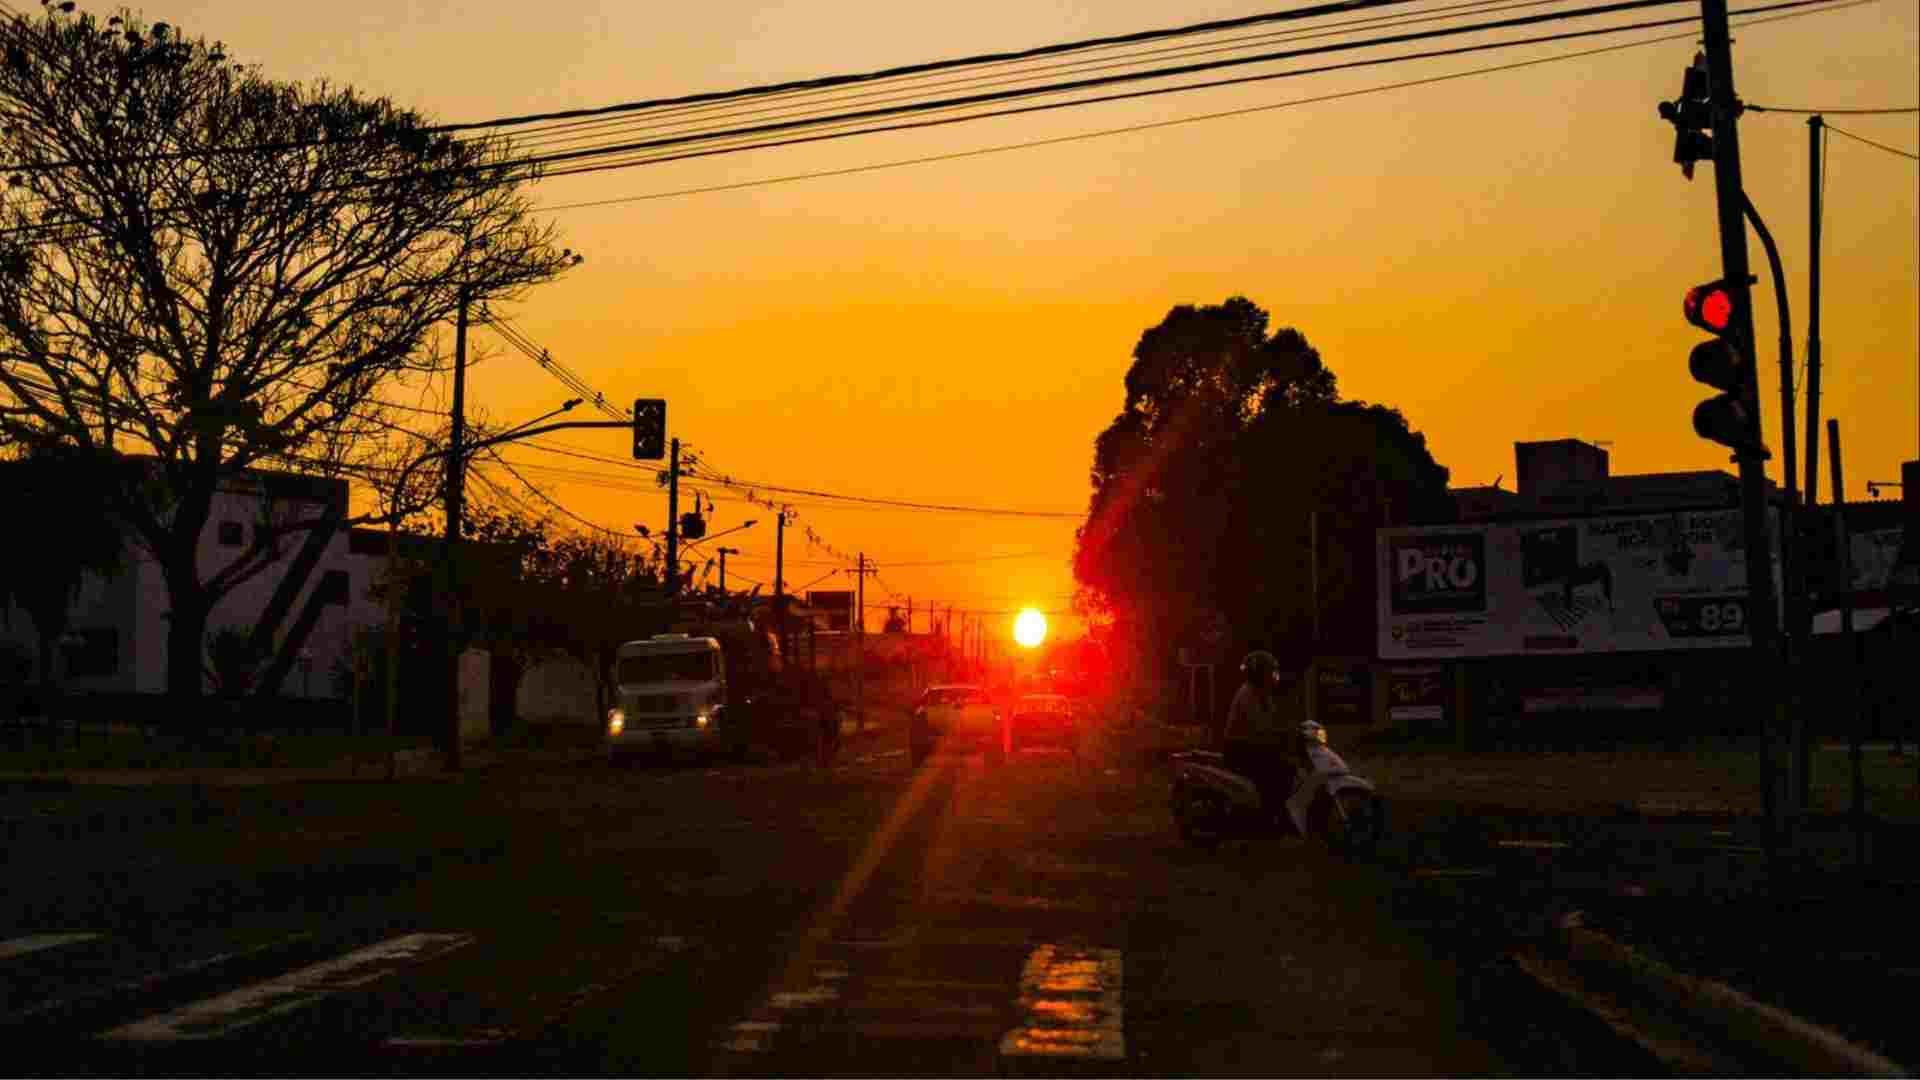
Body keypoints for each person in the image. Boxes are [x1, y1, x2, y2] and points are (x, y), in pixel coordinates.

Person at [1223, 650, 1298, 815]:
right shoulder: (1247, 694)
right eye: (1270, 672)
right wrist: (1285, 733)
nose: (1274, 676)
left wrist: (1293, 728)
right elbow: (1261, 726)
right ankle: (1269, 811)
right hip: (1240, 748)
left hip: (1254, 745)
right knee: (1280, 769)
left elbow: (1273, 721)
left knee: (1288, 762)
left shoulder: (1264, 694)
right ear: (1259, 674)